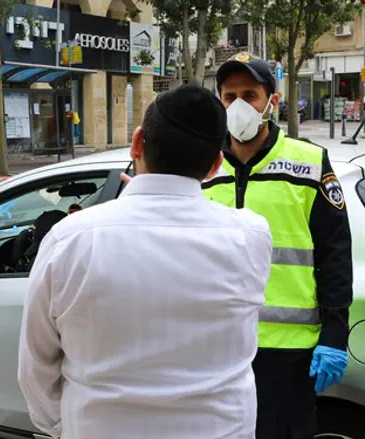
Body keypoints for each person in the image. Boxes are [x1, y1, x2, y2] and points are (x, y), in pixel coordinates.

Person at [17, 84, 274, 439]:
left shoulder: (70, 239)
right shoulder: (251, 236)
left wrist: (64, 425)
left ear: (137, 143)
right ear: (215, 166)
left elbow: (35, 368)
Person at [204, 52, 353, 439]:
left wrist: (336, 334)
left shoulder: (308, 163)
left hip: (287, 352)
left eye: (249, 95)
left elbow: (335, 253)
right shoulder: (203, 168)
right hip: (216, 346)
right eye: (229, 95)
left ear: (272, 100)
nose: (238, 105)